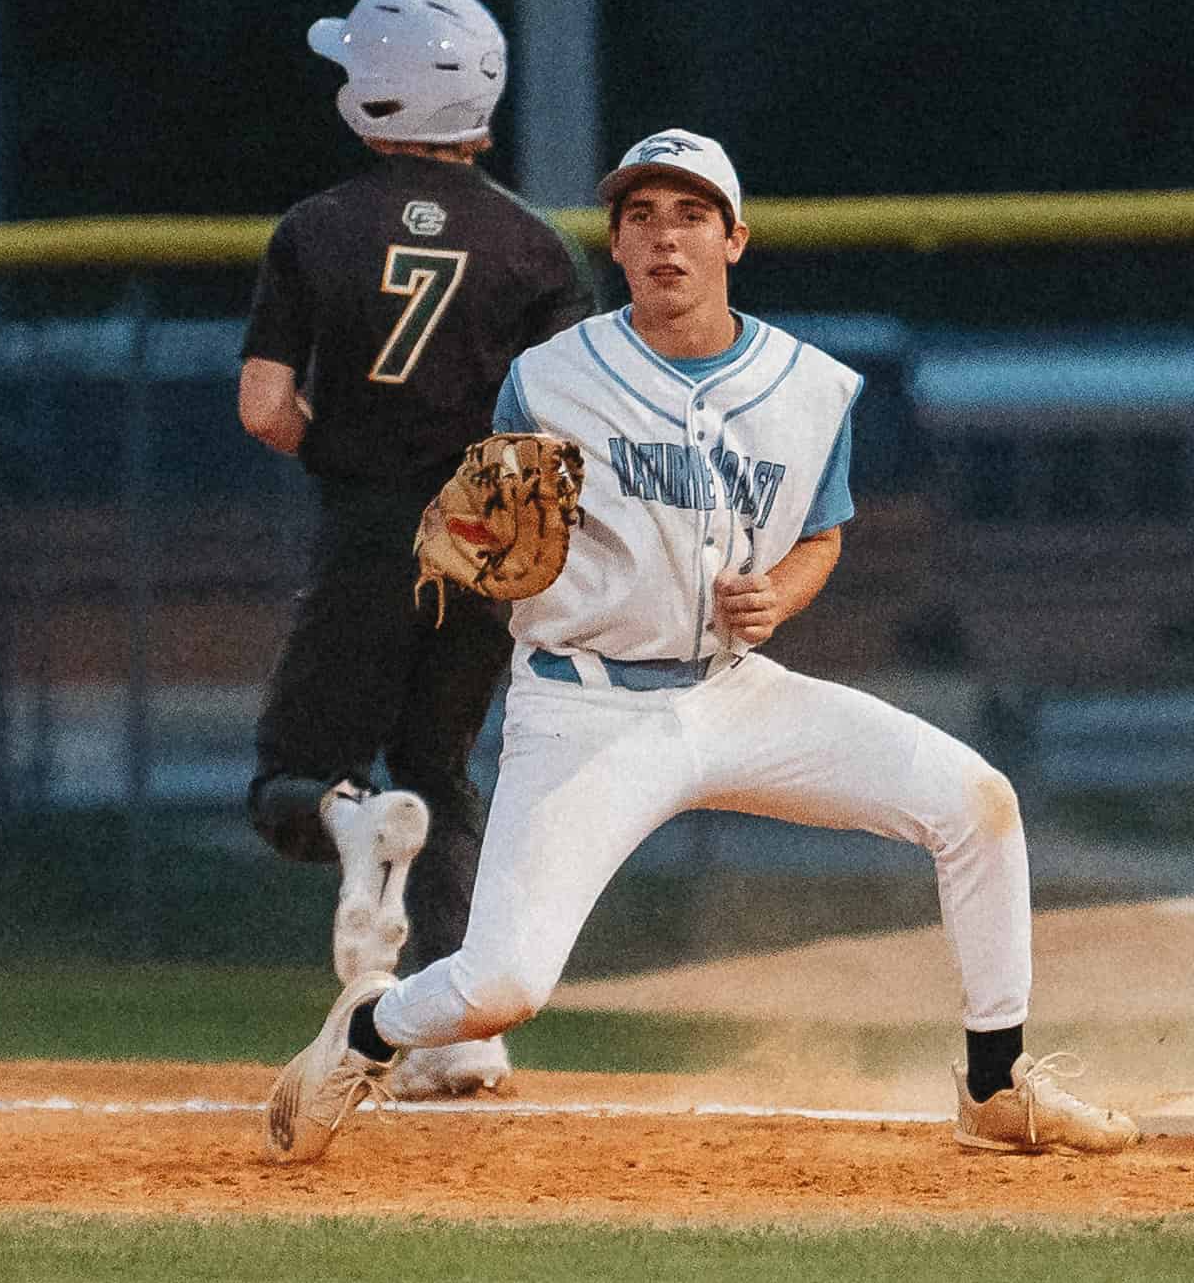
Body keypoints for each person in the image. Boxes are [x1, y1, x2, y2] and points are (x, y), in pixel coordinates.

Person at [263, 127, 1139, 1163]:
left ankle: (996, 1085)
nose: (663, 239)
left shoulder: (810, 389)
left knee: (974, 801)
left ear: (734, 239)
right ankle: (368, 1028)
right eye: (640, 218)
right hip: (582, 707)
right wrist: (473, 544)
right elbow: (483, 543)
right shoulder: (551, 379)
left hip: (733, 695)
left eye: (688, 216)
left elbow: (820, 533)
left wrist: (779, 593)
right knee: (502, 988)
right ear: (618, 247)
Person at [238, 0, 595, 1102]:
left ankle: (350, 831)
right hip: (488, 537)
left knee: (295, 781)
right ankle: (463, 1027)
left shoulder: (314, 230)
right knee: (440, 765)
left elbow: (263, 408)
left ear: (375, 95)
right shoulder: (537, 251)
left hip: (366, 526)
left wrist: (330, 446)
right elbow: (562, 427)